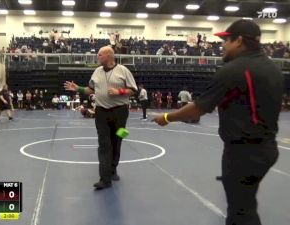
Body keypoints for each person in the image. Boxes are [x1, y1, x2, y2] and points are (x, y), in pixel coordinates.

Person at [152, 20, 284, 225]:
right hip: (267, 149)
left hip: (244, 153)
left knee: (241, 212)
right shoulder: (273, 69)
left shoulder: (234, 70)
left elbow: (199, 107)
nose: (222, 45)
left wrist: (167, 117)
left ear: (239, 41)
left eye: (226, 40)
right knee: (246, 203)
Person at [65, 46, 137, 190]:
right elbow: (90, 89)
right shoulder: (97, 71)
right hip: (101, 112)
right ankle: (105, 179)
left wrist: (119, 91)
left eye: (99, 55)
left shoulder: (123, 70)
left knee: (118, 140)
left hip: (120, 112)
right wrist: (78, 88)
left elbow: (134, 91)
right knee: (104, 144)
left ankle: (113, 168)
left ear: (109, 56)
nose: (97, 57)